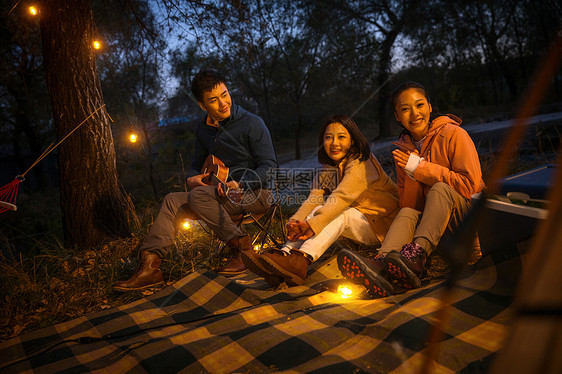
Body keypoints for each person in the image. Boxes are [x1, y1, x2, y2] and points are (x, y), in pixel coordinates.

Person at [113, 70, 277, 292]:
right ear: (202, 105)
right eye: (213, 100)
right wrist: (192, 178)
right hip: (215, 197)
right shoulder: (204, 129)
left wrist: (239, 184)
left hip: (255, 193)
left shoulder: (251, 123)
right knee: (172, 199)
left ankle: (243, 251)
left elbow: (270, 168)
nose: (223, 103)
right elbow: (194, 165)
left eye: (225, 94)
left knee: (198, 197)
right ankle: (150, 268)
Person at [337, 81, 485, 298]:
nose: (414, 114)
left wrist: (420, 168)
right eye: (405, 109)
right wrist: (412, 172)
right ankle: (381, 266)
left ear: (430, 107)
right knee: (406, 212)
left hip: (467, 222)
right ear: (397, 117)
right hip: (436, 229)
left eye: (419, 105)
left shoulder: (454, 134)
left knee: (440, 189)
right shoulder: (404, 150)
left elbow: (469, 185)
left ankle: (416, 256)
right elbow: (410, 206)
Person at [241, 114, 400, 288]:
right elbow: (313, 198)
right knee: (318, 206)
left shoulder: (362, 162)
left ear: (353, 140)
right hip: (361, 219)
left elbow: (340, 198)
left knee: (338, 212)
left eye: (341, 137)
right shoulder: (330, 167)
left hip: (383, 226)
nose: (334, 143)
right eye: (328, 137)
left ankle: (301, 260)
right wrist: (295, 223)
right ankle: (284, 258)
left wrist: (311, 225)